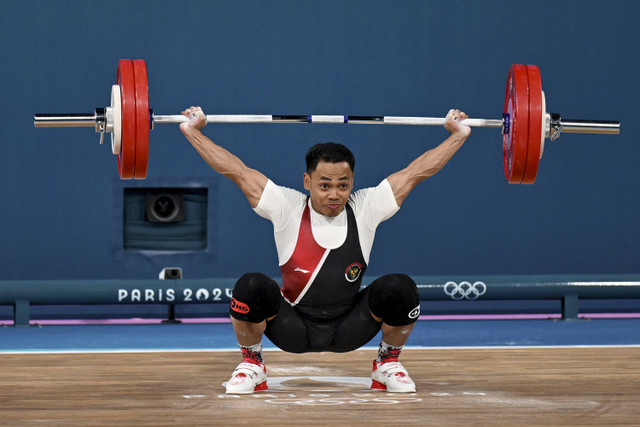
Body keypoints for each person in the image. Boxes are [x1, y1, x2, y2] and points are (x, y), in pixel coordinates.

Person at [180, 106, 471, 394]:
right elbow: (235, 170)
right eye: (325, 185)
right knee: (251, 285)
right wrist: (193, 132)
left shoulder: (366, 206)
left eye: (343, 185)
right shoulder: (287, 206)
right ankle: (252, 363)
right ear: (307, 182)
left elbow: (416, 172)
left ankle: (387, 362)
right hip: (291, 326)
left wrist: (457, 135)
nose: (335, 194)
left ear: (352, 183)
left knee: (401, 287)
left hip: (349, 326)